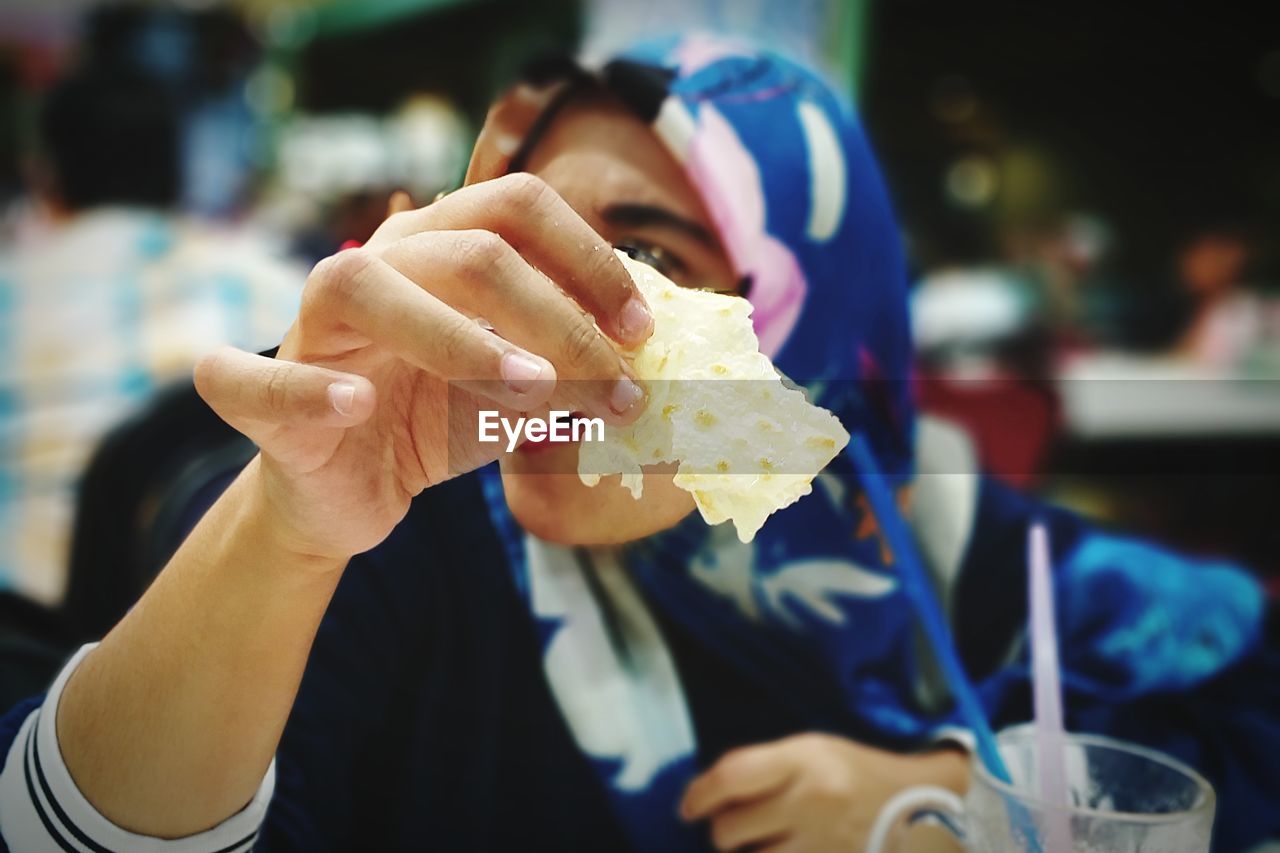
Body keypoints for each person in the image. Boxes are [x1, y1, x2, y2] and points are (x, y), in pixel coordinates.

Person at [1, 37, 1276, 851]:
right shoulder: (411, 524)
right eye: (528, 248)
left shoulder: (920, 526)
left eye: (648, 258)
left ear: (805, 316)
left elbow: (1241, 701)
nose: (547, 326)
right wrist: (284, 525)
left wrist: (939, 798)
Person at [0, 65, 303, 604]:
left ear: (47, 178)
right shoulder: (280, 288)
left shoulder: (13, 293)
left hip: (32, 652)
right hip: (236, 629)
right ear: (176, 173)